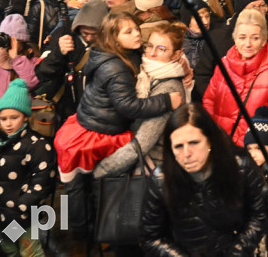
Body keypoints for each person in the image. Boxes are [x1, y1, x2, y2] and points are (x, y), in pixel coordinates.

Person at [55, 12, 182, 182]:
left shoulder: (130, 57)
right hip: (102, 129)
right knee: (78, 184)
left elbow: (142, 143)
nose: (137, 34)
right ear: (114, 40)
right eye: (128, 32)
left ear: (176, 55)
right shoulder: (118, 67)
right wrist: (165, 101)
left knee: (80, 181)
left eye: (136, 29)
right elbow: (128, 106)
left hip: (113, 134)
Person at [140, 103, 268, 256]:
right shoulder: (160, 180)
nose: (187, 153)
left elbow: (260, 215)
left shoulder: (240, 167)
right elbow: (150, 237)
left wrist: (237, 252)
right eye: (178, 146)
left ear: (209, 141)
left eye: (194, 143)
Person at [0, 78, 57, 256]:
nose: (8, 124)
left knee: (30, 251)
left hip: (23, 214)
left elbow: (43, 179)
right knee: (9, 249)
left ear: (25, 116)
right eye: (3, 119)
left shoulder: (36, 145)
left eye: (14, 117)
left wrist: (23, 203)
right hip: (0, 212)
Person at [203, 8, 268, 145]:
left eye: (255, 38)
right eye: (242, 37)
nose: (248, 44)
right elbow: (209, 101)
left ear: (264, 40)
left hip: (253, 151)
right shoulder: (224, 65)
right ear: (235, 38)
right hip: (223, 147)